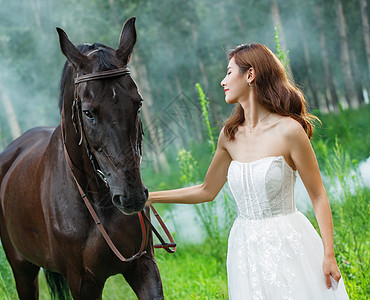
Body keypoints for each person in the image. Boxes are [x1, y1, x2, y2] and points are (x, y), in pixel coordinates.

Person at [147, 44, 349, 299]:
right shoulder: (229, 136)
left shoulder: (289, 131)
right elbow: (206, 190)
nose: (223, 81)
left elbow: (318, 195)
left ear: (250, 75)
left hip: (288, 241)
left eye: (229, 72)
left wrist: (328, 254)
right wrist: (150, 197)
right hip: (244, 247)